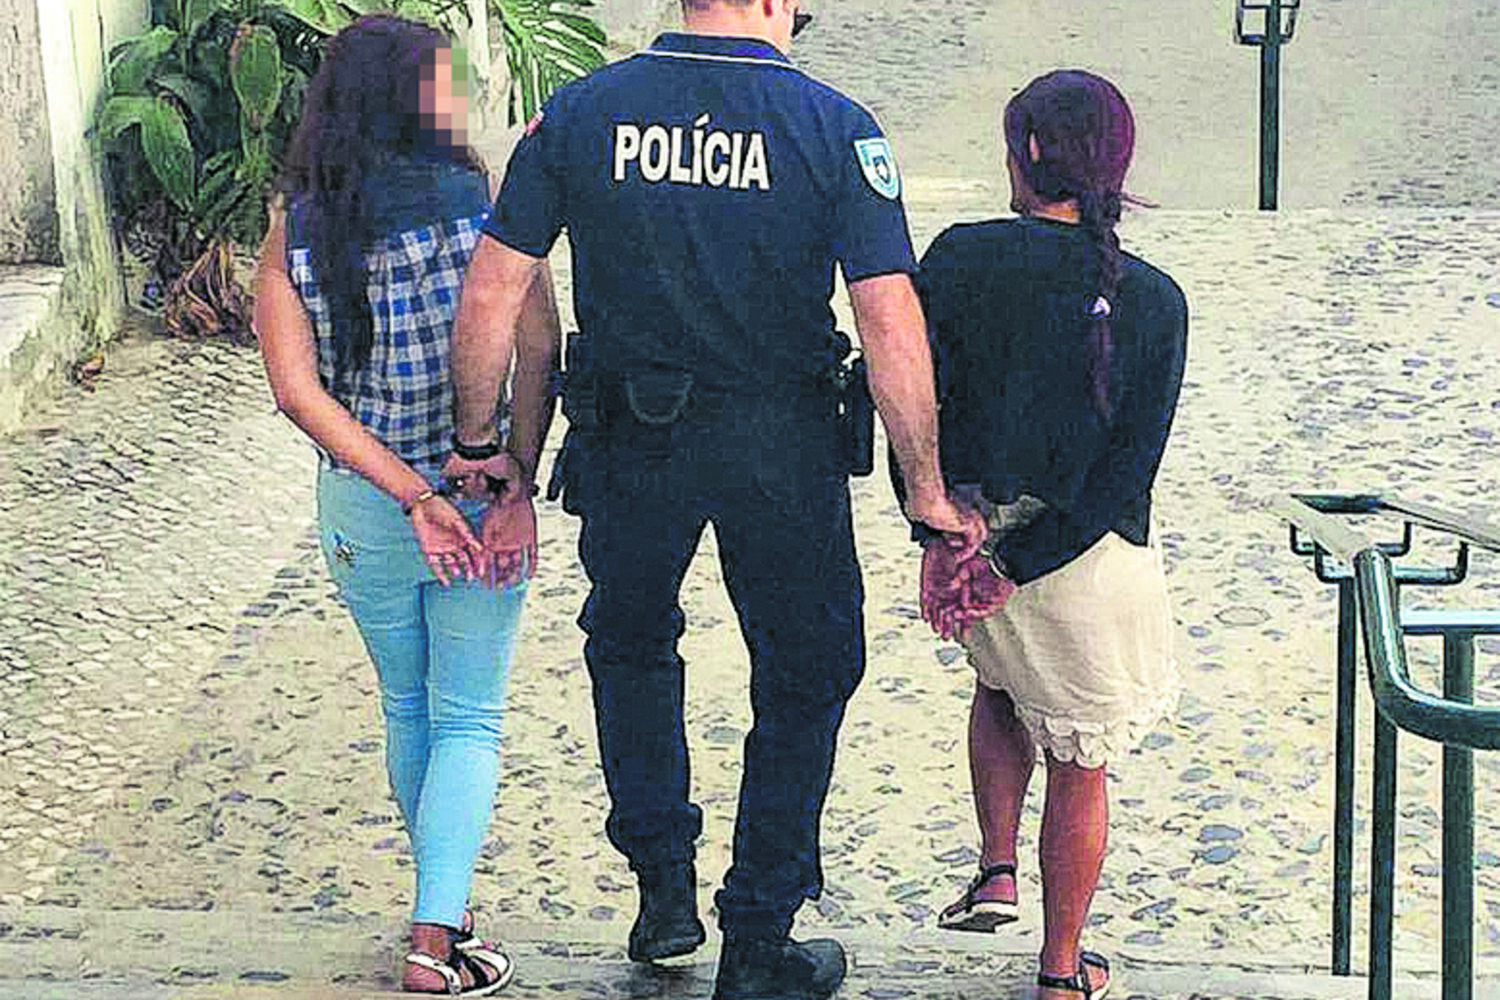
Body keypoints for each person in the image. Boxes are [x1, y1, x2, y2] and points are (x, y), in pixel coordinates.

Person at [444, 1, 984, 997]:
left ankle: (662, 886)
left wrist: (483, 448)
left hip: (630, 436)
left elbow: (492, 291)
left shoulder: (582, 114)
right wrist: (928, 492)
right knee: (808, 669)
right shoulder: (833, 127)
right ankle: (759, 933)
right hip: (781, 446)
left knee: (630, 642)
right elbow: (887, 317)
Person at [253, 14, 558, 995]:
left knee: (409, 704)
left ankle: (446, 908)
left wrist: (407, 494)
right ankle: (433, 941)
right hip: (477, 495)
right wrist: (514, 472)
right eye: (447, 81)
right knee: (469, 715)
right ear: (417, 100)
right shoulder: (484, 209)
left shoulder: (297, 227)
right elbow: (539, 347)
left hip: (364, 511)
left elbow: (296, 393)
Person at [909, 70, 1188, 1000]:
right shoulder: (1156, 299)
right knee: (1080, 759)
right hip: (1085, 561)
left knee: (1001, 681)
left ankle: (997, 867)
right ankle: (1062, 969)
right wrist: (1015, 565)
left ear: (1028, 152)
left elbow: (915, 401)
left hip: (973, 528)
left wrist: (943, 535)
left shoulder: (960, 256)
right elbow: (1125, 475)